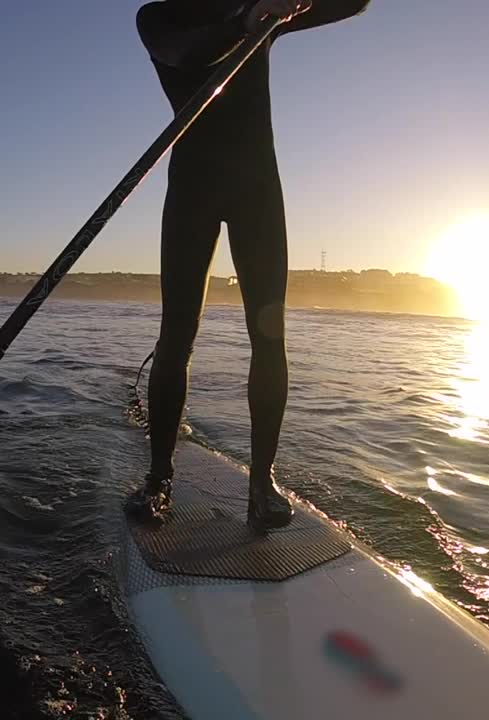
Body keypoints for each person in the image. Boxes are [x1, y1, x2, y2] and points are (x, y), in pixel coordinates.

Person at [125, 0, 369, 531]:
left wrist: (276, 9)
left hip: (258, 189)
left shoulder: (256, 6)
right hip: (193, 187)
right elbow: (184, 52)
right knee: (176, 336)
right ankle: (159, 479)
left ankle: (262, 483)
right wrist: (247, 21)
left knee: (270, 338)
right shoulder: (158, 17)